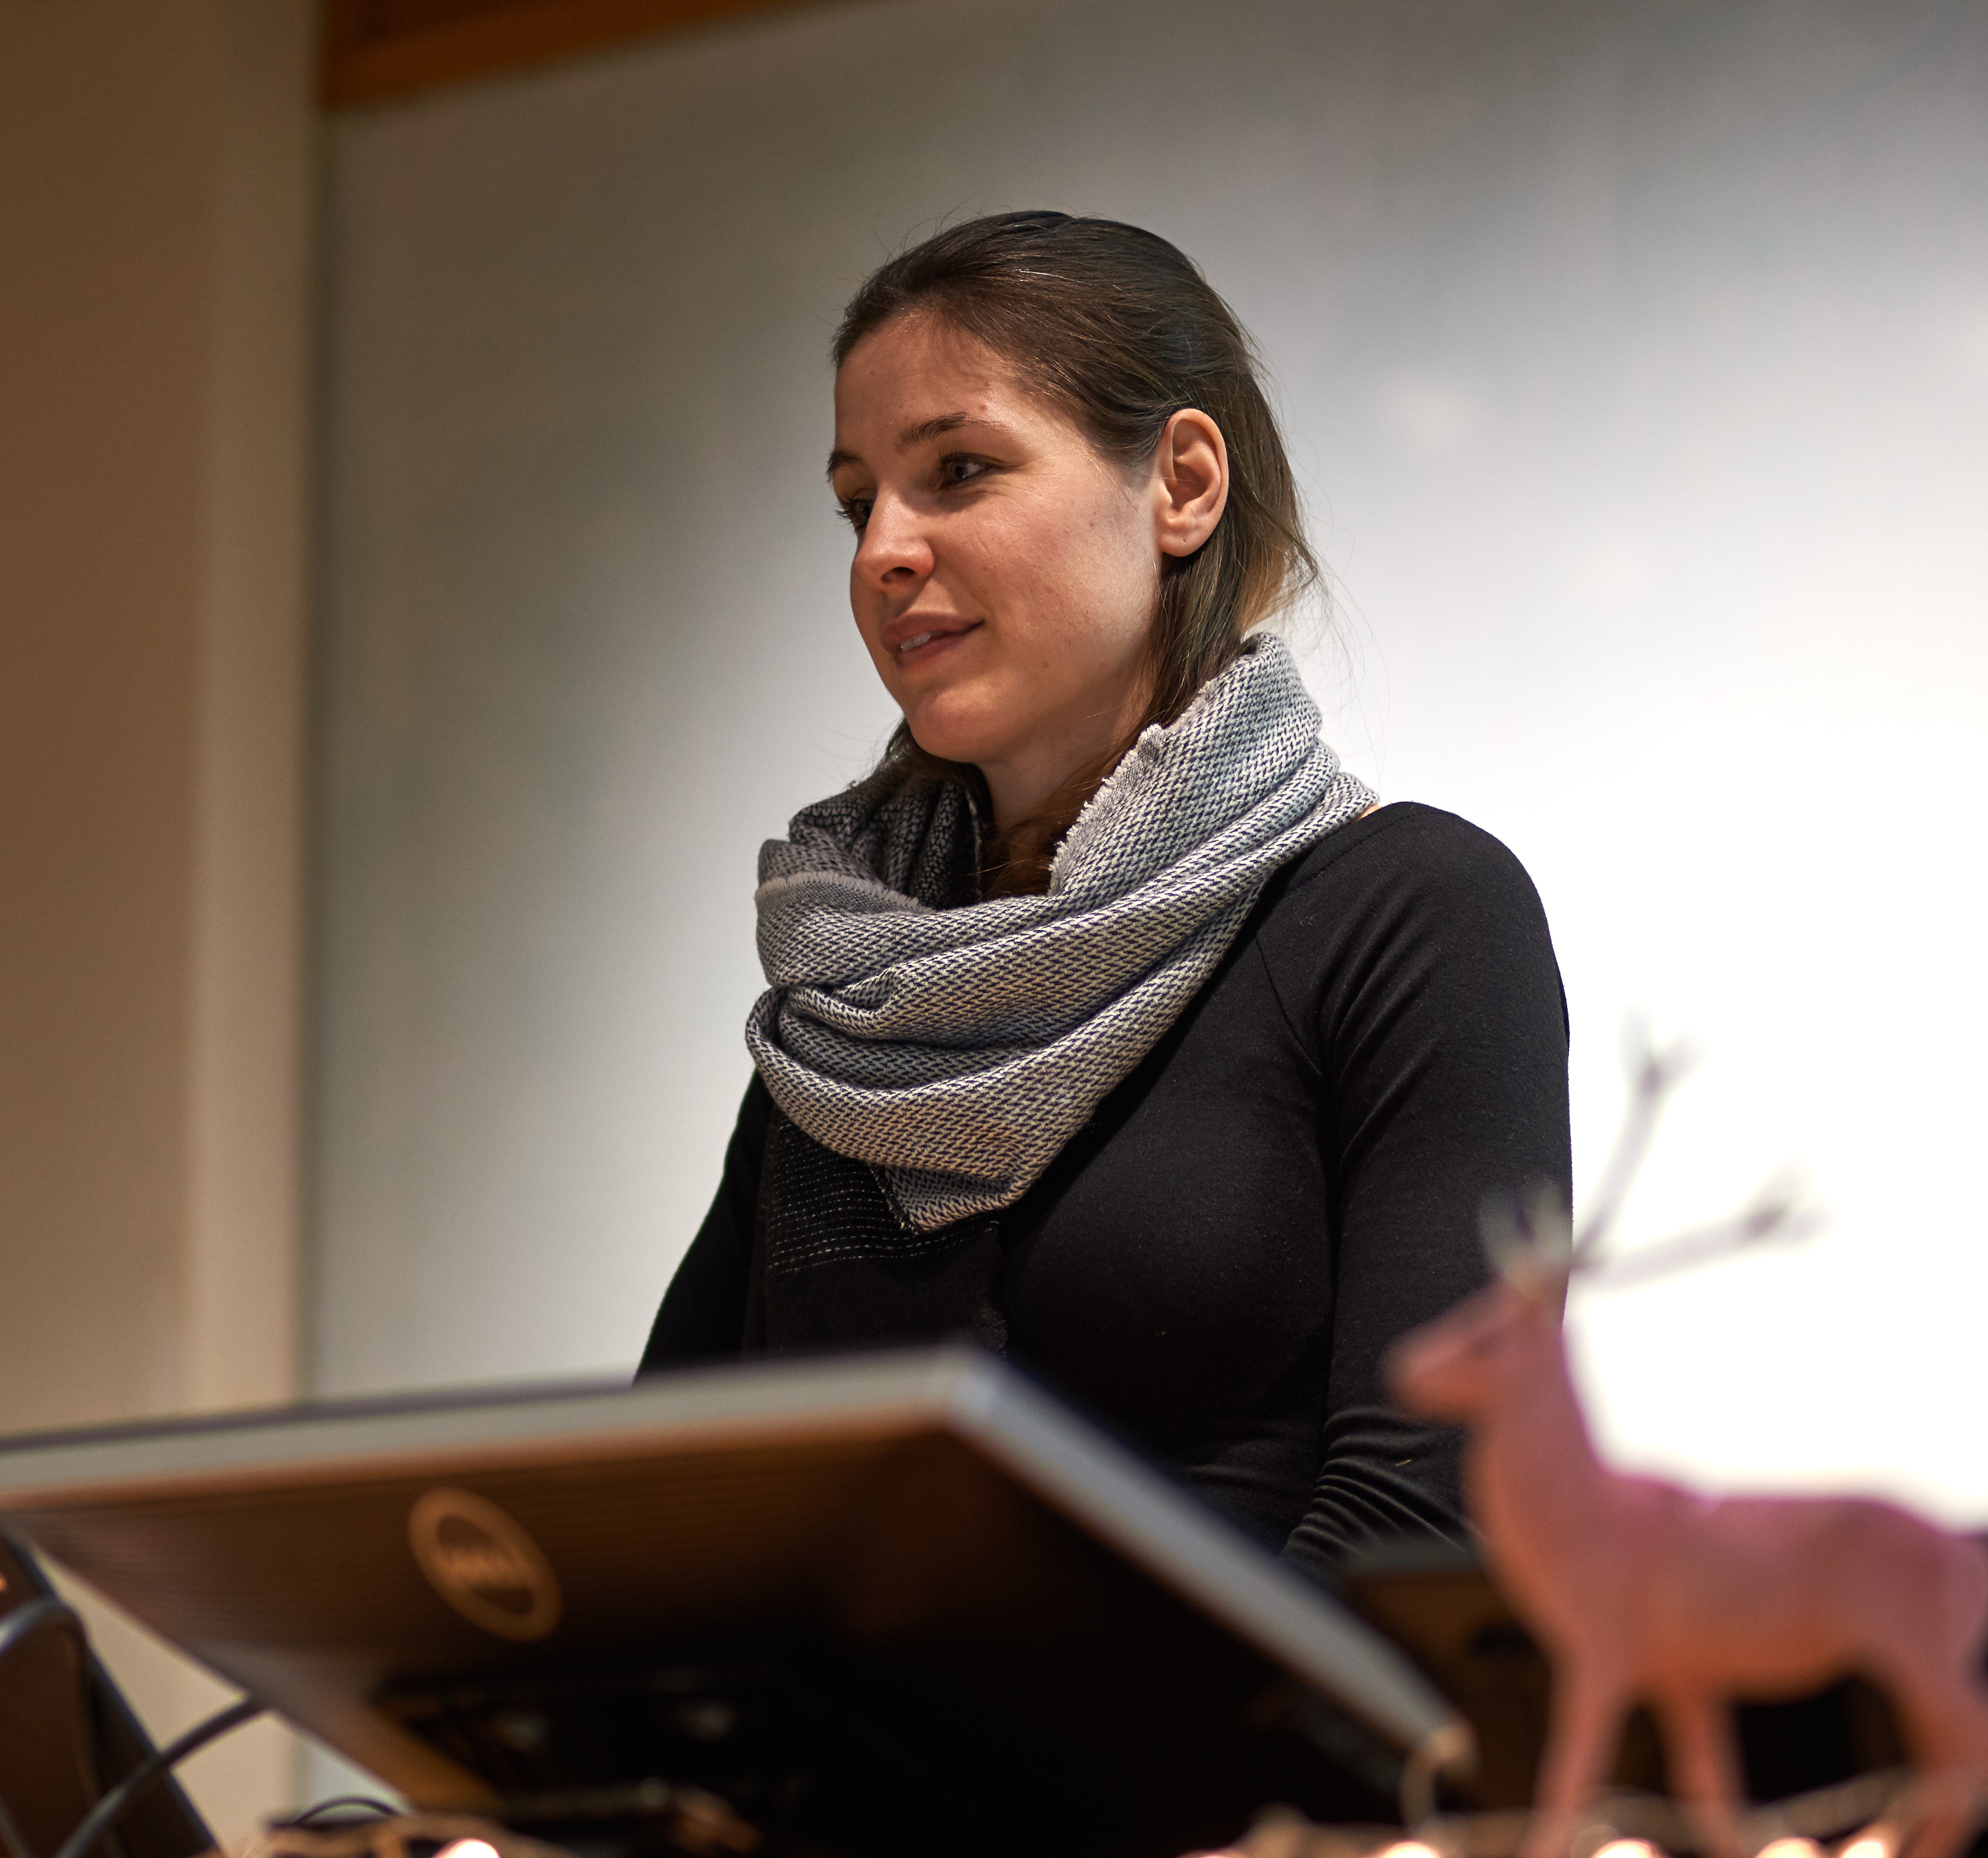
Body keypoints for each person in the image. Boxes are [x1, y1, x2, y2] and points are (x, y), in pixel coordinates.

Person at [640, 212, 1570, 1584]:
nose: (882, 551)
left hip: (1243, 1796)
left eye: (957, 471)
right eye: (856, 501)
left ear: (1183, 483)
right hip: (847, 1799)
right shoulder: (857, 991)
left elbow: (1429, 1523)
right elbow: (657, 1504)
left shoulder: (1408, 914)